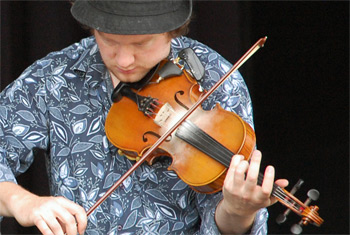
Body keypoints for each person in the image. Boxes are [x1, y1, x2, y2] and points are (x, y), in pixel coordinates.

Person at [0, 1, 288, 234]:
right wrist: (23, 203)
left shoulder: (215, 82)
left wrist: (237, 211)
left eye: (141, 44)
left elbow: (220, 217)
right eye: (109, 40)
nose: (124, 60)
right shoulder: (55, 78)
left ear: (173, 31)